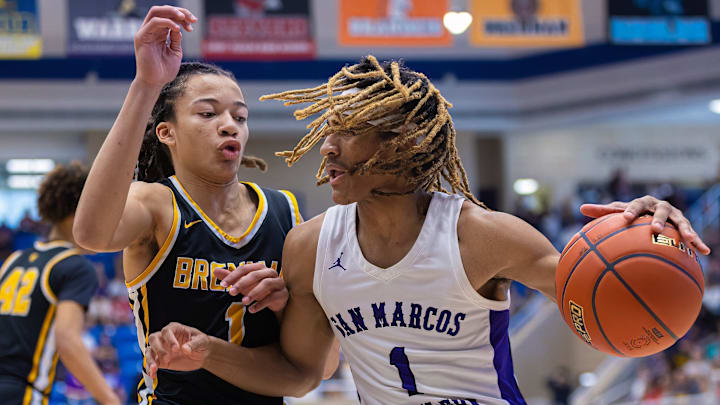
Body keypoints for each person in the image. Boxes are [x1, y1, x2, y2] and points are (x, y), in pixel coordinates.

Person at [145, 56, 711, 404]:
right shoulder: (310, 245)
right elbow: (298, 375)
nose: (329, 146)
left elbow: (596, 297)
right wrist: (209, 353)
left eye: (349, 131)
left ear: (403, 145)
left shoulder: (484, 236)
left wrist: (645, 234)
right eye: (330, 129)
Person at [73, 6, 337, 405]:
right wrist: (146, 85)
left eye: (240, 116)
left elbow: (321, 367)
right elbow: (90, 233)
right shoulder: (158, 203)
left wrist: (287, 306)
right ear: (167, 132)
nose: (230, 124)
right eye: (208, 113)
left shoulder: (287, 213)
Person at [0, 162, 121, 405]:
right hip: (23, 393)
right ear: (78, 212)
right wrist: (110, 399)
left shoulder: (14, 260)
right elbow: (67, 339)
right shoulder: (76, 266)